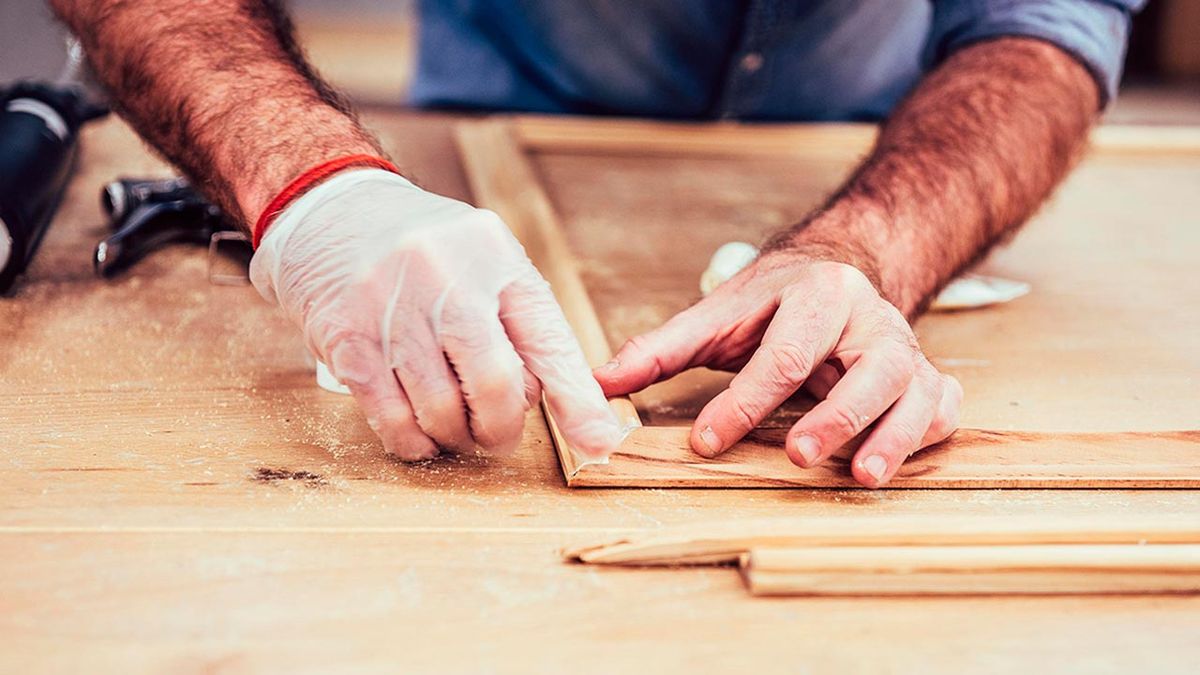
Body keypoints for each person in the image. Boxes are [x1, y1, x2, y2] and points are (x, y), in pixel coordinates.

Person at [49, 0, 1141, 487]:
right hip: (479, 147)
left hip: (884, 161)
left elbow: (1044, 32)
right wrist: (311, 185)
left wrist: (874, 248)